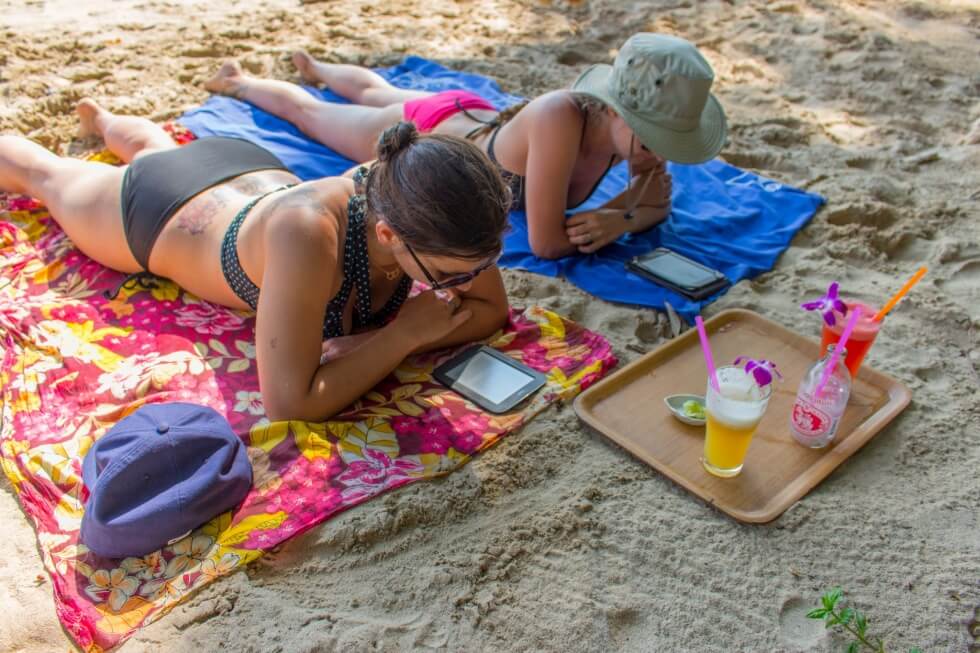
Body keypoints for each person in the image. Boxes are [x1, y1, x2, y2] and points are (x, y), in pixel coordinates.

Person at [0, 101, 512, 422]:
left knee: (156, 147)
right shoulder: (309, 234)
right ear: (387, 233)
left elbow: (492, 311)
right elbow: (290, 403)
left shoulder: (435, 201)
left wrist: (371, 341)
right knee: (44, 175)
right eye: (450, 276)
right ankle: (106, 124)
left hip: (244, 168)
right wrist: (403, 335)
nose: (464, 282)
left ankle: (110, 122)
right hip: (164, 212)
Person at [204, 33, 727, 259]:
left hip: (472, 119)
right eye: (654, 139)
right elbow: (548, 242)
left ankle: (318, 68)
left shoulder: (631, 137)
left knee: (374, 90)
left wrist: (621, 218)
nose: (658, 153)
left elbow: (652, 203)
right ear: (614, 108)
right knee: (315, 113)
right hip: (436, 131)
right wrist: (629, 212)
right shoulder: (559, 117)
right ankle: (244, 82)